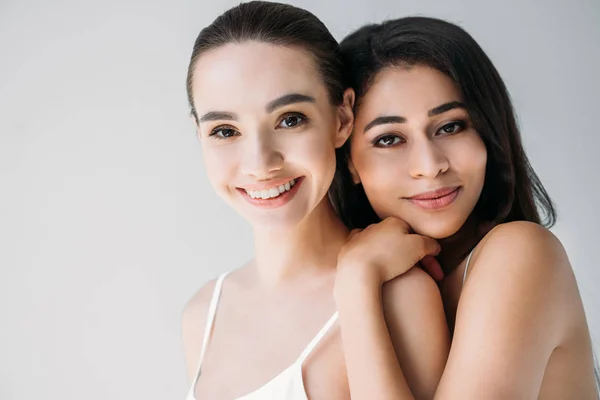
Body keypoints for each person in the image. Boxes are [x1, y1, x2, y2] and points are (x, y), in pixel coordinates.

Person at [181, 3, 449, 400]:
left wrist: (357, 283)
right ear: (198, 135)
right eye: (224, 130)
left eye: (290, 119)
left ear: (341, 119)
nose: (260, 164)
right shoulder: (203, 314)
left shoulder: (399, 295)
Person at [329, 16, 599, 399]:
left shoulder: (519, 253)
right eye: (389, 139)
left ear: (488, 131)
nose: (429, 165)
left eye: (450, 127)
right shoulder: (389, 283)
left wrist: (355, 285)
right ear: (349, 161)